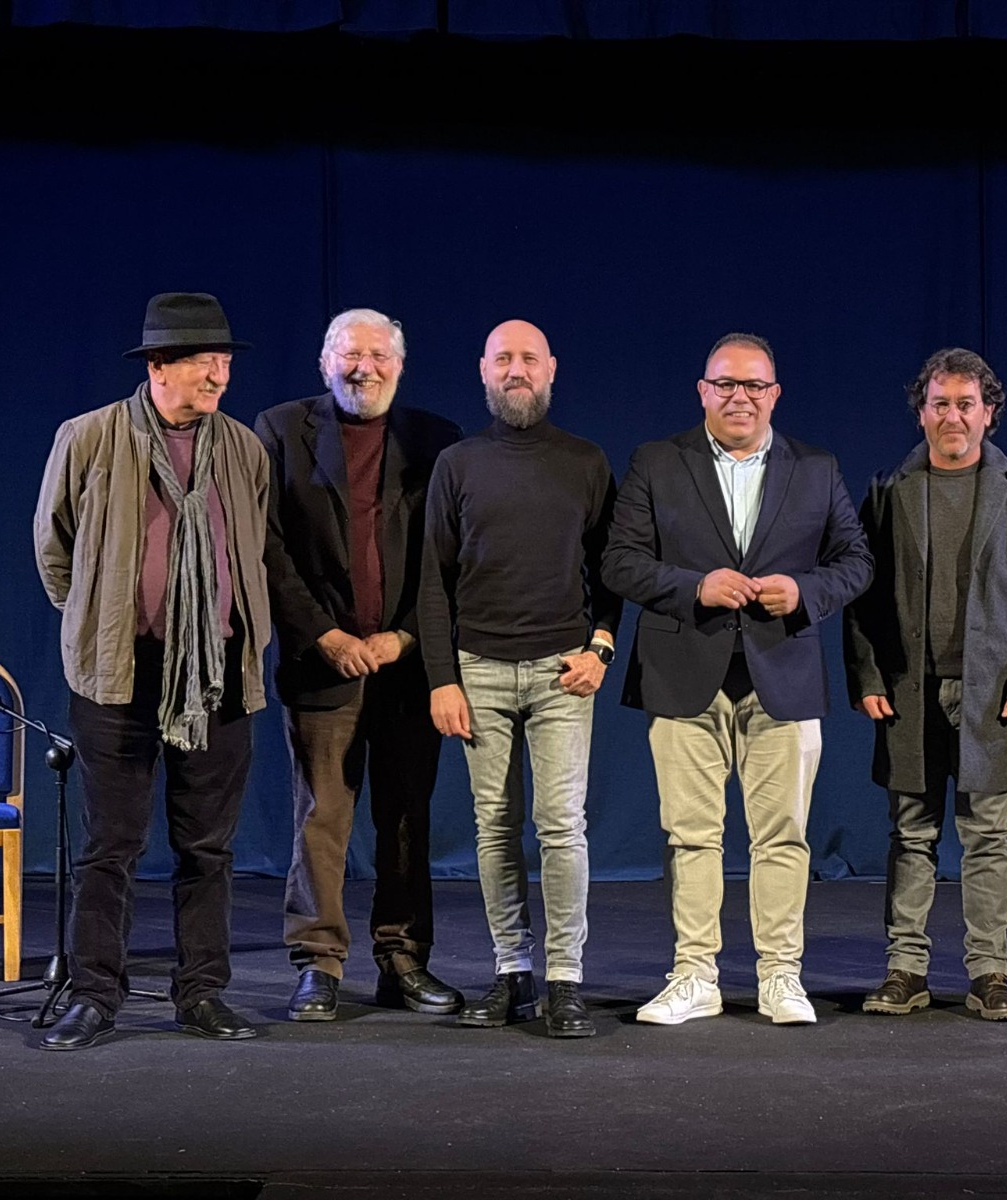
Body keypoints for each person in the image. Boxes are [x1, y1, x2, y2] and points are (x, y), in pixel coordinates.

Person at [604, 332, 873, 1027]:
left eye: (754, 386)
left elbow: (856, 561)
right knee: (691, 837)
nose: (739, 398)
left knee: (782, 837)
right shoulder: (658, 463)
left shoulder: (815, 468)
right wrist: (696, 585)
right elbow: (620, 561)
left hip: (780, 673)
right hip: (682, 674)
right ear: (703, 392)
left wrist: (804, 591)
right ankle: (695, 975)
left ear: (774, 395)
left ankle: (781, 975)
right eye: (725, 384)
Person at [32, 292, 270, 1050]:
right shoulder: (90, 437)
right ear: (160, 365)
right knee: (113, 845)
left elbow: (253, 547)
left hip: (215, 673)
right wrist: (104, 625)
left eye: (226, 363)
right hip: (118, 674)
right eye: (206, 363)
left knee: (207, 847)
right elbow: (54, 548)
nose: (220, 377)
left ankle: (202, 992)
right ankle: (94, 993)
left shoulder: (242, 449)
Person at [256, 309, 463, 1022]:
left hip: (407, 666)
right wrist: (324, 635)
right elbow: (268, 548)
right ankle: (319, 963)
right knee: (323, 816)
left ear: (399, 367)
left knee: (407, 814)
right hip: (323, 664)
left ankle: (403, 959)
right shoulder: (280, 429)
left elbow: (451, 558)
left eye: (378, 356)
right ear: (324, 361)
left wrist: (404, 639)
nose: (363, 367)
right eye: (350, 355)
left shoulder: (437, 441)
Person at [844, 347, 1007, 1022]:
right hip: (908, 690)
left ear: (988, 413)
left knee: (988, 837)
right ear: (921, 411)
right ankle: (905, 969)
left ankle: (989, 973)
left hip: (991, 694)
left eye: (966, 404)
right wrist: (867, 673)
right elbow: (860, 590)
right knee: (911, 835)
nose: (952, 416)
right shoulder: (888, 488)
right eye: (940, 403)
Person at [419, 319, 621, 1038]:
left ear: (551, 370)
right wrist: (443, 679)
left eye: (528, 358)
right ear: (483, 370)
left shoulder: (586, 462)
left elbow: (612, 570)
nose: (516, 369)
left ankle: (564, 978)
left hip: (560, 672)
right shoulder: (459, 464)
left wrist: (600, 647)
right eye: (503, 358)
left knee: (561, 826)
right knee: (494, 825)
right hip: (477, 671)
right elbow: (433, 582)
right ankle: (512, 971)